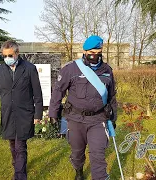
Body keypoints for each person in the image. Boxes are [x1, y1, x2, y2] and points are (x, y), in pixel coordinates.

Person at [49, 35, 117, 180]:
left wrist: (113, 117)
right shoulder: (71, 69)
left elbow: (112, 96)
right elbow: (58, 91)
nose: (95, 55)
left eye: (98, 52)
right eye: (92, 52)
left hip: (98, 119)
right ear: (85, 51)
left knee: (98, 156)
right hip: (75, 119)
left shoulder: (107, 70)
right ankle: (79, 170)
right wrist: (53, 114)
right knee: (77, 153)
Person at [0, 40, 43, 180]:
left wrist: (38, 114)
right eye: (4, 56)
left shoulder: (29, 68)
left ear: (17, 53)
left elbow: (37, 93)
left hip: (25, 113)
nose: (7, 58)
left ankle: (20, 175)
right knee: (12, 144)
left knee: (20, 146)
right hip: (7, 113)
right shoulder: (0, 70)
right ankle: (17, 165)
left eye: (10, 55)